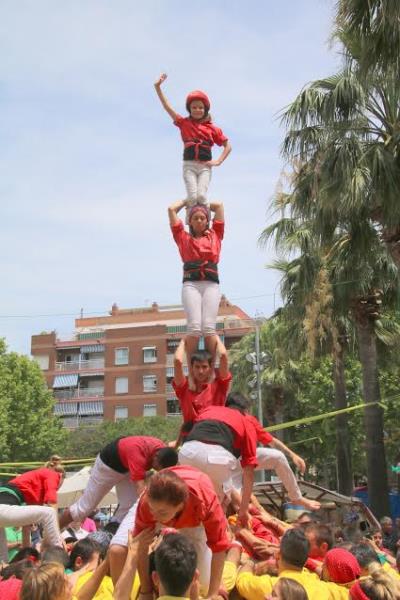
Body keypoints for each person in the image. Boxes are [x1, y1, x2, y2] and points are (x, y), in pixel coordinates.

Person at [111, 466, 229, 596]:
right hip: (161, 500)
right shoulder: (147, 504)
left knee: (204, 583)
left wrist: (213, 594)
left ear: (180, 505)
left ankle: (219, 584)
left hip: (196, 510)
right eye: (152, 510)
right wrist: (146, 591)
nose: (154, 517)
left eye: (161, 512)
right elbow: (140, 547)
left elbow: (219, 547)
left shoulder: (205, 503)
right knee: (117, 549)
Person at [59, 436, 178, 530]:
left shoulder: (162, 449)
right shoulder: (138, 455)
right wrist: (158, 509)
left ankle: (112, 530)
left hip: (125, 468)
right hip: (106, 468)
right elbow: (141, 490)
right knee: (83, 509)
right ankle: (52, 533)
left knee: (130, 506)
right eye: (157, 467)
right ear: (156, 456)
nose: (156, 470)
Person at [227, 393, 321, 512]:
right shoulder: (219, 419)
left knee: (278, 457)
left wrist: (292, 455)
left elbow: (272, 441)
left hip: (244, 459)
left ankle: (296, 497)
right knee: (235, 504)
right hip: (226, 464)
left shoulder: (248, 419)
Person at [154, 73, 231, 207]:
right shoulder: (184, 123)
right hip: (189, 165)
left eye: (200, 107)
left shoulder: (212, 128)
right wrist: (158, 87)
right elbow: (167, 107)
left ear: (205, 109)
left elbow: (228, 146)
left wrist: (218, 161)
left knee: (201, 196)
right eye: (194, 107)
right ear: (189, 109)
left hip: (205, 166)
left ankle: (205, 220)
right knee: (192, 197)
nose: (197, 110)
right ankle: (191, 220)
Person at [178, 403, 258, 525]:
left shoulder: (209, 409)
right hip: (217, 458)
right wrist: (243, 510)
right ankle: (218, 539)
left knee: (190, 503)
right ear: (245, 411)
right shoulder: (246, 422)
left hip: (187, 452)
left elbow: (186, 426)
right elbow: (249, 472)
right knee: (217, 507)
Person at [169, 199, 225, 361]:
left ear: (208, 220)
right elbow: (171, 209)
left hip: (211, 284)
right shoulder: (182, 238)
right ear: (189, 221)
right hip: (191, 285)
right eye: (195, 218)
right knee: (194, 327)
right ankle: (192, 373)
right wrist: (189, 201)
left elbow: (219, 206)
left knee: (208, 328)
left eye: (203, 218)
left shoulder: (216, 235)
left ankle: (209, 371)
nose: (199, 220)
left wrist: (202, 203)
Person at [236, 528, 343, 600]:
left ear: (278, 555)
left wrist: (250, 563)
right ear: (306, 561)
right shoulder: (323, 586)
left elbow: (242, 580)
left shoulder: (271, 585)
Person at [0, 458, 65, 563]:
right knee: (49, 513)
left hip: (3, 511)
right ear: (61, 476)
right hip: (3, 508)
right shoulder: (52, 474)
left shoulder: (31, 489)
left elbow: (26, 528)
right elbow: (52, 504)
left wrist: (26, 558)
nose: (56, 489)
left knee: (3, 561)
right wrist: (58, 540)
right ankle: (61, 558)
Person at [173, 338, 231, 428]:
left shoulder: (219, 386)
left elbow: (223, 355)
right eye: (197, 367)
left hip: (214, 435)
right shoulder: (184, 388)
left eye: (204, 367)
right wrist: (184, 340)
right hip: (191, 437)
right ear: (191, 368)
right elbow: (177, 361)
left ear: (210, 368)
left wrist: (214, 336)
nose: (200, 371)